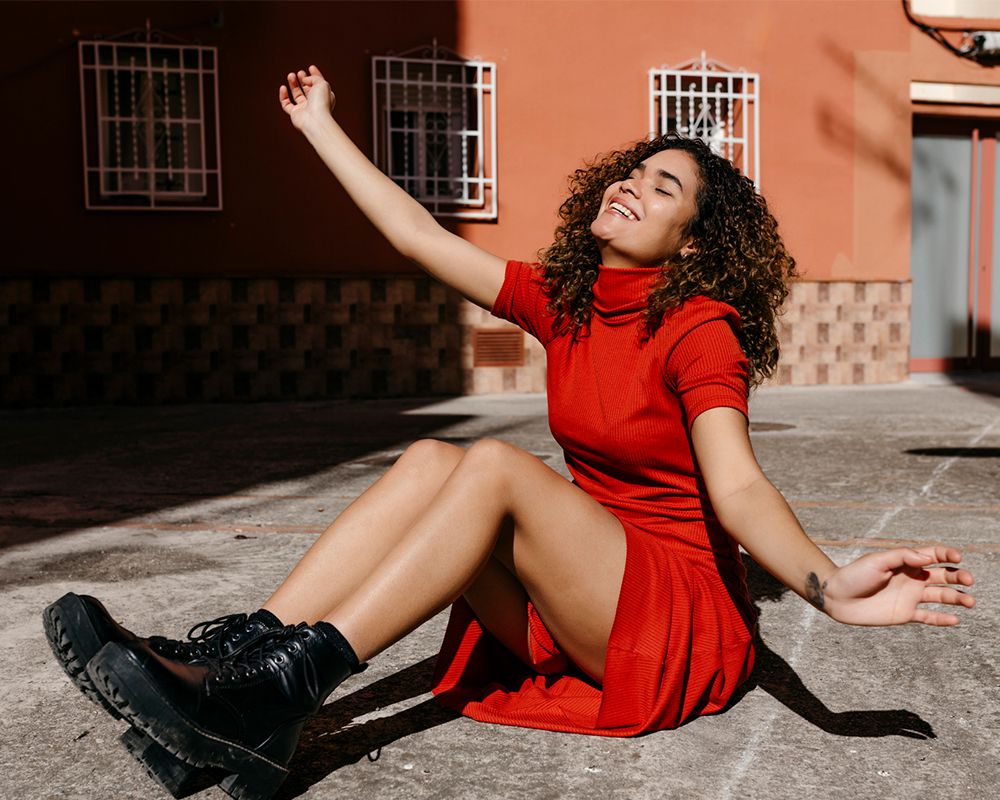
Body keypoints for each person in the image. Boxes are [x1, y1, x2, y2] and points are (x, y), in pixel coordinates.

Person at [43, 65, 975, 800]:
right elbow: (418, 237)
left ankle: (281, 693)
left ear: (693, 242)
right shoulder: (567, 300)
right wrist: (321, 124)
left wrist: (826, 585)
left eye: (662, 188)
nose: (630, 186)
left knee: (492, 465)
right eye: (631, 172)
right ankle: (238, 666)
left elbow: (736, 487)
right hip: (580, 591)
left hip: (671, 620)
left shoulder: (700, 329)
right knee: (430, 460)